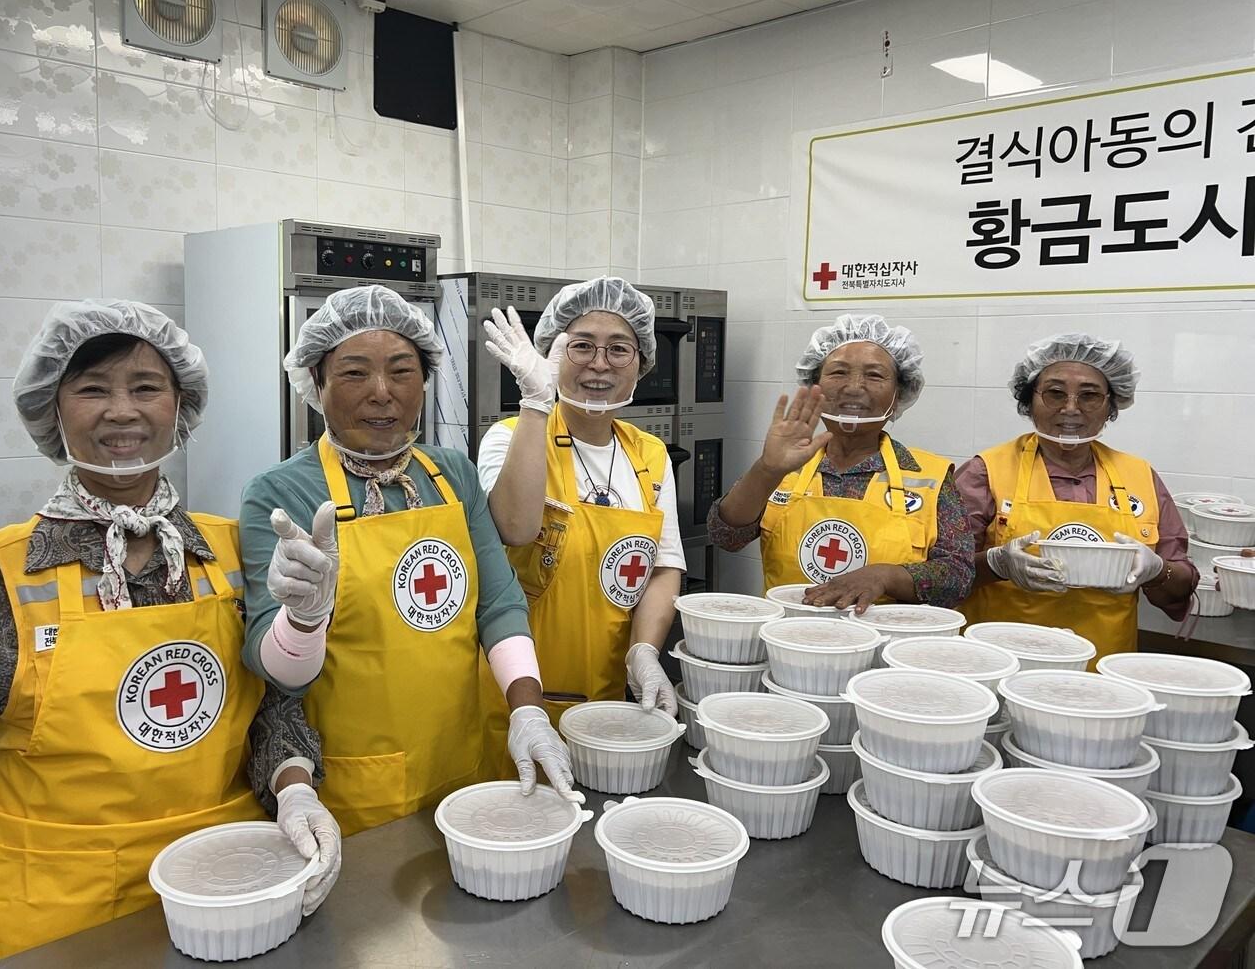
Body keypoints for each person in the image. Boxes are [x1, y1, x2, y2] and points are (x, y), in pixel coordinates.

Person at [0, 301, 337, 969]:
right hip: (50, 915)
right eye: (91, 389)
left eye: (146, 387)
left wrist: (294, 784)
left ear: (180, 405)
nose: (121, 411)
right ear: (52, 409)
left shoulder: (234, 550)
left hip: (221, 892)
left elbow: (272, 707)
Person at [239, 284, 578, 838]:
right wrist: (301, 620)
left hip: (461, 760)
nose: (382, 393)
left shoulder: (452, 473)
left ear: (424, 381)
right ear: (316, 382)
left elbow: (498, 602)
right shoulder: (279, 493)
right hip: (352, 789)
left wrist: (527, 709)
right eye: (354, 373)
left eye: (401, 371)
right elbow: (276, 674)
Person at [477, 278, 684, 765]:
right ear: (552, 353)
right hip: (517, 695)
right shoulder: (510, 438)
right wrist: (536, 404)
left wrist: (643, 652)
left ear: (641, 363)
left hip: (607, 692)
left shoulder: (650, 453)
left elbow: (664, 566)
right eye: (582, 346)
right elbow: (515, 529)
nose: (599, 364)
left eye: (619, 349)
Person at [709, 314, 974, 613]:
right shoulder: (784, 465)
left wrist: (885, 576)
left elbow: (958, 577)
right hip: (787, 633)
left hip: (889, 638)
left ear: (899, 393)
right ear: (815, 385)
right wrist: (767, 470)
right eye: (838, 373)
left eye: (874, 375)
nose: (854, 387)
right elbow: (725, 536)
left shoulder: (928, 476)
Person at [957, 333, 1198, 658]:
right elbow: (942, 575)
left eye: (1089, 395)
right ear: (1029, 400)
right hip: (1001, 662)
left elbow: (1180, 583)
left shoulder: (1140, 476)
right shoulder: (985, 472)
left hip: (1104, 667)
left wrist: (1157, 572)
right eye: (1055, 393)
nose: (1071, 408)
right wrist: (996, 564)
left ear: (1111, 405)